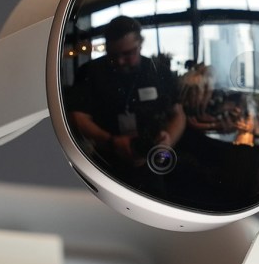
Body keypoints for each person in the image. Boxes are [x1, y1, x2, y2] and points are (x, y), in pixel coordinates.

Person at [66, 16, 186, 177]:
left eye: (128, 53)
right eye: (113, 55)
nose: (120, 61)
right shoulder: (90, 72)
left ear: (140, 43)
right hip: (105, 161)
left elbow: (178, 114)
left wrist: (168, 141)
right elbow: (78, 117)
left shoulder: (158, 71)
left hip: (153, 157)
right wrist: (111, 141)